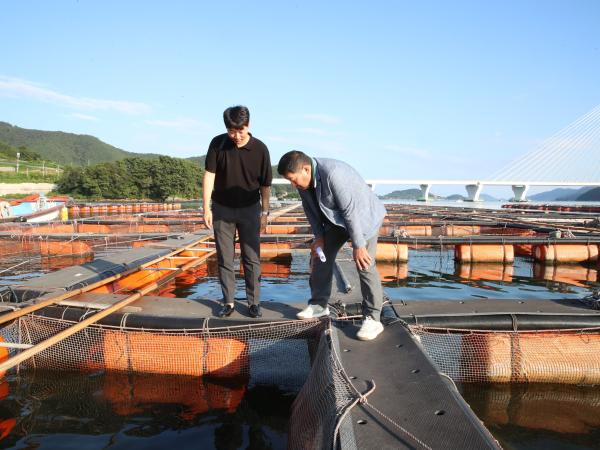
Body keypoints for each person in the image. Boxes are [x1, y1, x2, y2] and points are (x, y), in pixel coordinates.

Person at [277, 150, 387, 340]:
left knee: (364, 263)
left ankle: (373, 318)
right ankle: (319, 305)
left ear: (305, 169)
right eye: (290, 181)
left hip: (363, 217)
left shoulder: (333, 174)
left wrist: (358, 245)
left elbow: (350, 211)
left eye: (294, 180)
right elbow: (309, 210)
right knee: (320, 254)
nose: (293, 185)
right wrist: (318, 237)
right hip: (336, 220)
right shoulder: (303, 183)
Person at [203, 106, 272, 318]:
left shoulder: (260, 149)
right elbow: (209, 176)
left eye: (240, 130)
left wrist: (265, 213)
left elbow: (265, 186)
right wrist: (206, 207)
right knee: (225, 257)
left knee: (251, 258)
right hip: (222, 209)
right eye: (231, 131)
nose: (236, 136)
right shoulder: (218, 143)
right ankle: (229, 302)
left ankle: (254, 303)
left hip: (250, 209)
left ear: (248, 125)